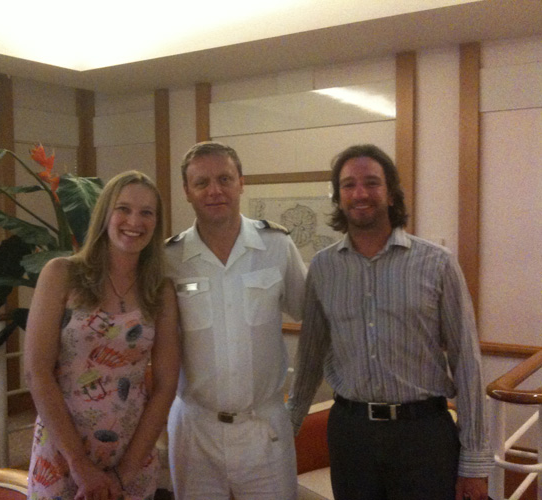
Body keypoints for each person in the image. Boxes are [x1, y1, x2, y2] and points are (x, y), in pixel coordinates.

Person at [287, 144, 493, 500]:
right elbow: (309, 357)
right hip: (351, 434)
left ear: (392, 193)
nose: (360, 193)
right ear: (338, 197)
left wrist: (474, 462)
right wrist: (287, 427)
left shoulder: (437, 263)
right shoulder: (323, 268)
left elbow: (467, 364)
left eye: (371, 183)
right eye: (349, 185)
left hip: (424, 434)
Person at [24, 170, 180, 500]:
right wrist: (79, 464)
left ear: (156, 223)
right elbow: (37, 372)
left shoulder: (160, 290)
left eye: (146, 212)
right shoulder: (61, 274)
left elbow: (166, 383)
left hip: (131, 451)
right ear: (105, 213)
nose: (134, 221)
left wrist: (124, 474)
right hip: (62, 450)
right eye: (123, 208)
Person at [164, 141, 307, 500]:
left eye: (224, 178)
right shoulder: (170, 258)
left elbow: (311, 314)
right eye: (201, 183)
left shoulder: (276, 245)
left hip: (263, 429)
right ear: (186, 191)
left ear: (241, 182)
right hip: (195, 431)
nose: (214, 191)